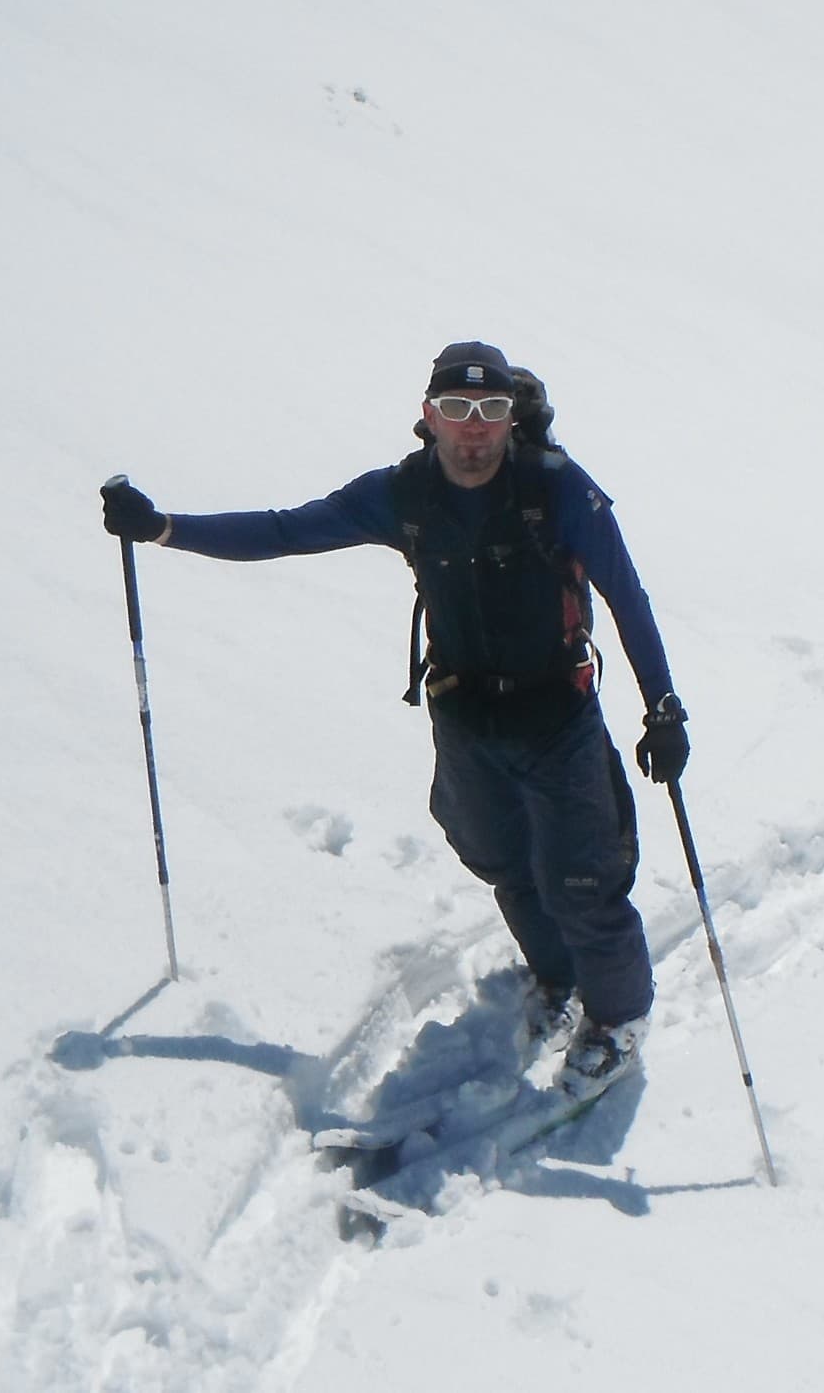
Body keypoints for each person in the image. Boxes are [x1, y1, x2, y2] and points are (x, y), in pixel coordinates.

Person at [100, 340, 688, 1102]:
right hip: (466, 715)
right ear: (429, 415)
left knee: (581, 878)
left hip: (556, 715)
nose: (473, 427)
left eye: (491, 409)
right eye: (456, 408)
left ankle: (618, 1018)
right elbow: (286, 530)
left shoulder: (556, 488)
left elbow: (626, 594)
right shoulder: (405, 494)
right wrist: (163, 528)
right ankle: (559, 975)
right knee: (502, 858)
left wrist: (662, 706)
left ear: (510, 417)